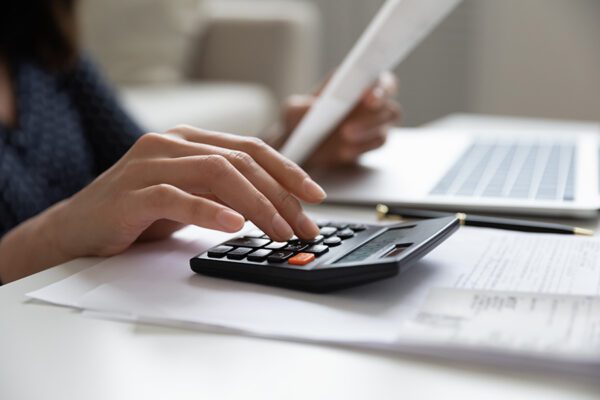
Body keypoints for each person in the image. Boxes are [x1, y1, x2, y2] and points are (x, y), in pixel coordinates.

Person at [0, 0, 400, 284]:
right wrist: (56, 232)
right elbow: (94, 207)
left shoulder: (39, 45)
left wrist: (297, 142)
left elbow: (137, 175)